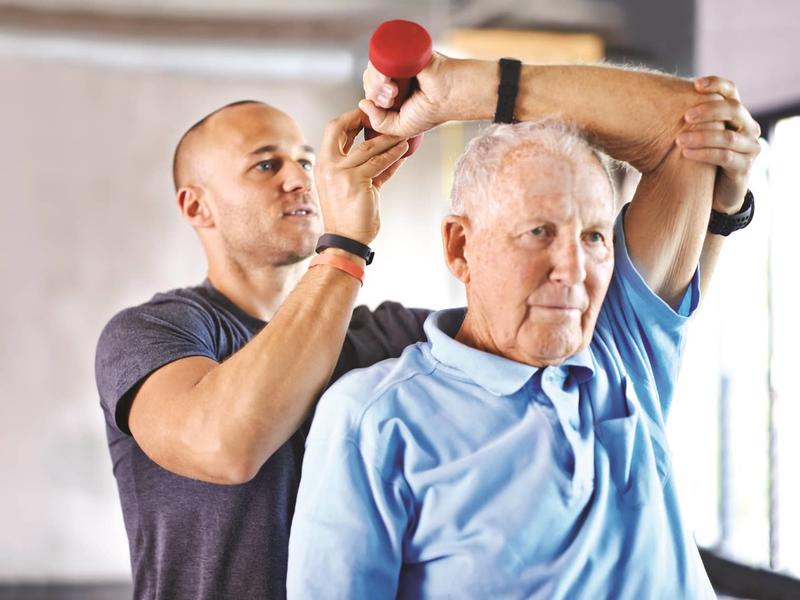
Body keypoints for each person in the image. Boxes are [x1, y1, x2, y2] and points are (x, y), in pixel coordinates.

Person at [95, 55, 758, 600]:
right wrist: (345, 243)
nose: (299, 177)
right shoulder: (155, 333)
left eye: (303, 158)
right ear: (196, 205)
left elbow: (688, 127)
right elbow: (226, 445)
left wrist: (461, 93)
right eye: (267, 164)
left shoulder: (392, 344)